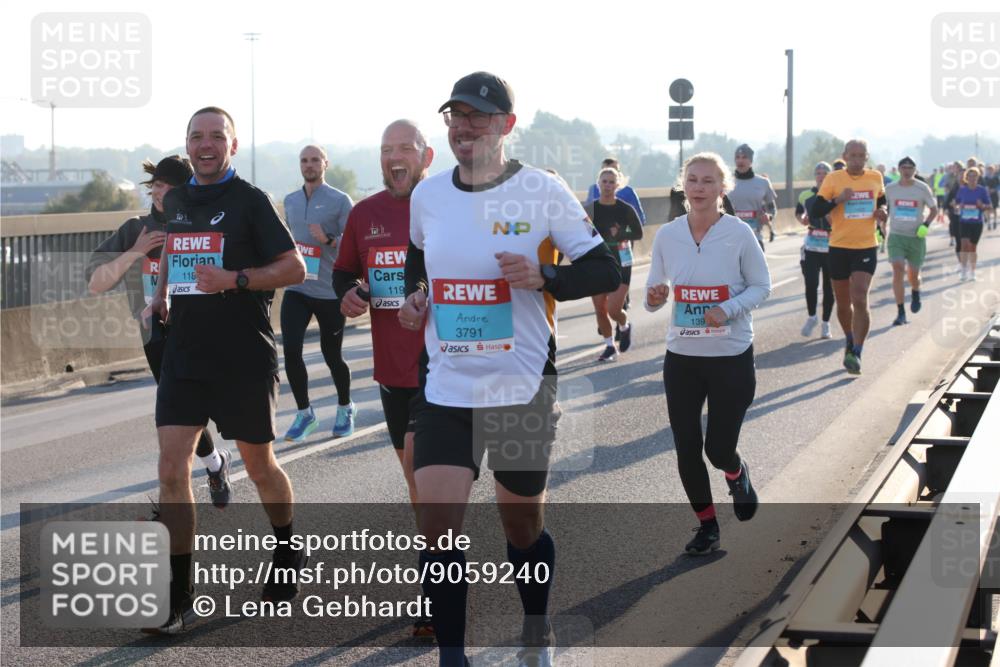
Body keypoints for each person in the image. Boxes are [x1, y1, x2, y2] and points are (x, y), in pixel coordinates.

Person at [399, 71, 619, 667]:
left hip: (520, 384)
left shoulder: (542, 191)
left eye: (477, 116)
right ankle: (453, 656)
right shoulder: (429, 195)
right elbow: (422, 257)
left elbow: (604, 271)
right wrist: (417, 295)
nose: (463, 127)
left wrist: (546, 277)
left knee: (521, 524)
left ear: (506, 126)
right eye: (454, 116)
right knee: (439, 524)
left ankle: (537, 628)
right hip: (446, 382)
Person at [144, 106, 309, 634]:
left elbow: (295, 267)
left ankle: (287, 549)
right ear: (187, 145)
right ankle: (176, 599)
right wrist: (161, 294)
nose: (206, 144)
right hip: (187, 356)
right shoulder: (179, 200)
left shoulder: (251, 201)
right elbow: (176, 244)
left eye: (217, 136)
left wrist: (235, 279)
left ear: (232, 146)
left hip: (243, 355)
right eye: (197, 136)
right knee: (172, 470)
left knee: (260, 469)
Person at [332, 120, 434, 637]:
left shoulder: (445, 205)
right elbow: (343, 271)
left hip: (448, 370)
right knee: (420, 488)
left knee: (428, 477)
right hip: (393, 371)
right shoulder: (364, 213)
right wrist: (349, 292)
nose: (395, 157)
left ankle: (436, 594)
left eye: (405, 149)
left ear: (426, 156)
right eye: (386, 150)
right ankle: (440, 581)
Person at [86, 156, 232, 508]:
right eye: (157, 186)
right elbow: (95, 283)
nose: (159, 193)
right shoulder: (135, 228)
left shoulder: (203, 222)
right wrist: (135, 252)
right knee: (182, 418)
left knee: (202, 411)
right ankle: (211, 468)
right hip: (156, 335)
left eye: (168, 186)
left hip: (203, 330)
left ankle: (211, 466)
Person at [644, 152, 771, 556]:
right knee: (685, 447)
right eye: (692, 180)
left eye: (708, 181)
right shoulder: (667, 235)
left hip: (730, 356)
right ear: (684, 185)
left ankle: (736, 473)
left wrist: (728, 309)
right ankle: (707, 526)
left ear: (722, 188)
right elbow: (651, 296)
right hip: (682, 357)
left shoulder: (739, 233)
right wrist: (655, 296)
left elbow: (761, 286)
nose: (698, 188)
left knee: (717, 448)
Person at [280, 145, 355, 442]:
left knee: (331, 354)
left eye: (314, 160)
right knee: (291, 351)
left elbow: (353, 244)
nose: (309, 165)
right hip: (298, 287)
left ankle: (345, 408)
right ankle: (305, 413)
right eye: (304, 160)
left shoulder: (340, 200)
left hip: (329, 291)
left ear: (325, 163)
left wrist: (329, 239)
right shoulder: (290, 201)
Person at [810, 139, 888, 375]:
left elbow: (882, 201)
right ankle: (849, 338)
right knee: (843, 304)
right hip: (839, 246)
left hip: (865, 246)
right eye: (852, 155)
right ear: (845, 156)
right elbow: (816, 211)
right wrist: (838, 200)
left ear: (867, 157)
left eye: (861, 155)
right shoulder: (834, 179)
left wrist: (882, 212)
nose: (856, 159)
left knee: (860, 297)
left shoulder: (875, 177)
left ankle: (857, 351)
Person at [584, 166, 643, 362]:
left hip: (621, 260)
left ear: (618, 185)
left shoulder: (625, 209)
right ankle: (609, 346)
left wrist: (622, 234)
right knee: (600, 308)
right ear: (598, 184)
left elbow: (638, 233)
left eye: (611, 182)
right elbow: (581, 233)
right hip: (598, 261)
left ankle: (624, 326)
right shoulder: (590, 209)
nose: (607, 185)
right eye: (604, 181)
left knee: (613, 309)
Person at [885, 157, 938, 325]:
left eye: (910, 168)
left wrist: (926, 224)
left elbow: (934, 209)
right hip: (896, 236)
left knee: (913, 275)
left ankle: (915, 290)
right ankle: (901, 312)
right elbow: (883, 207)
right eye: (904, 167)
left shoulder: (922, 188)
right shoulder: (890, 189)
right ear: (899, 169)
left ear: (915, 170)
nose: (907, 171)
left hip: (916, 237)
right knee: (898, 269)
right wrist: (880, 227)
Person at [795, 162, 834, 339]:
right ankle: (812, 317)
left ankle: (826, 323)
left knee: (829, 287)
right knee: (811, 283)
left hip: (831, 245)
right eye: (818, 173)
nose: (821, 175)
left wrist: (829, 216)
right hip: (811, 244)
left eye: (824, 173)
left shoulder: (834, 195)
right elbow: (798, 212)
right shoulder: (806, 194)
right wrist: (802, 218)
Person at [727, 144, 777, 251]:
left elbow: (772, 209)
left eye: (744, 157)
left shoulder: (763, 182)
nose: (740, 161)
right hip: (731, 239)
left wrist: (769, 216)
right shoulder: (725, 182)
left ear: (751, 161)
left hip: (755, 238)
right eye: (737, 157)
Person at [952, 167, 992, 282]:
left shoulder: (982, 190)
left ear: (978, 177)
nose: (972, 178)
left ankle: (972, 271)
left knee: (972, 248)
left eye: (974, 176)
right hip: (964, 221)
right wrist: (959, 206)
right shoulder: (962, 190)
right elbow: (956, 204)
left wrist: (982, 206)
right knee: (964, 245)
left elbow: (989, 206)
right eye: (970, 176)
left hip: (977, 222)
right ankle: (964, 270)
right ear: (966, 177)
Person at [584, 157, 647, 225]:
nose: (609, 175)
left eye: (613, 171)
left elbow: (639, 220)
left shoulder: (628, 192)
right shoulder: (593, 190)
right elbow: (586, 217)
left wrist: (623, 231)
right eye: (605, 171)